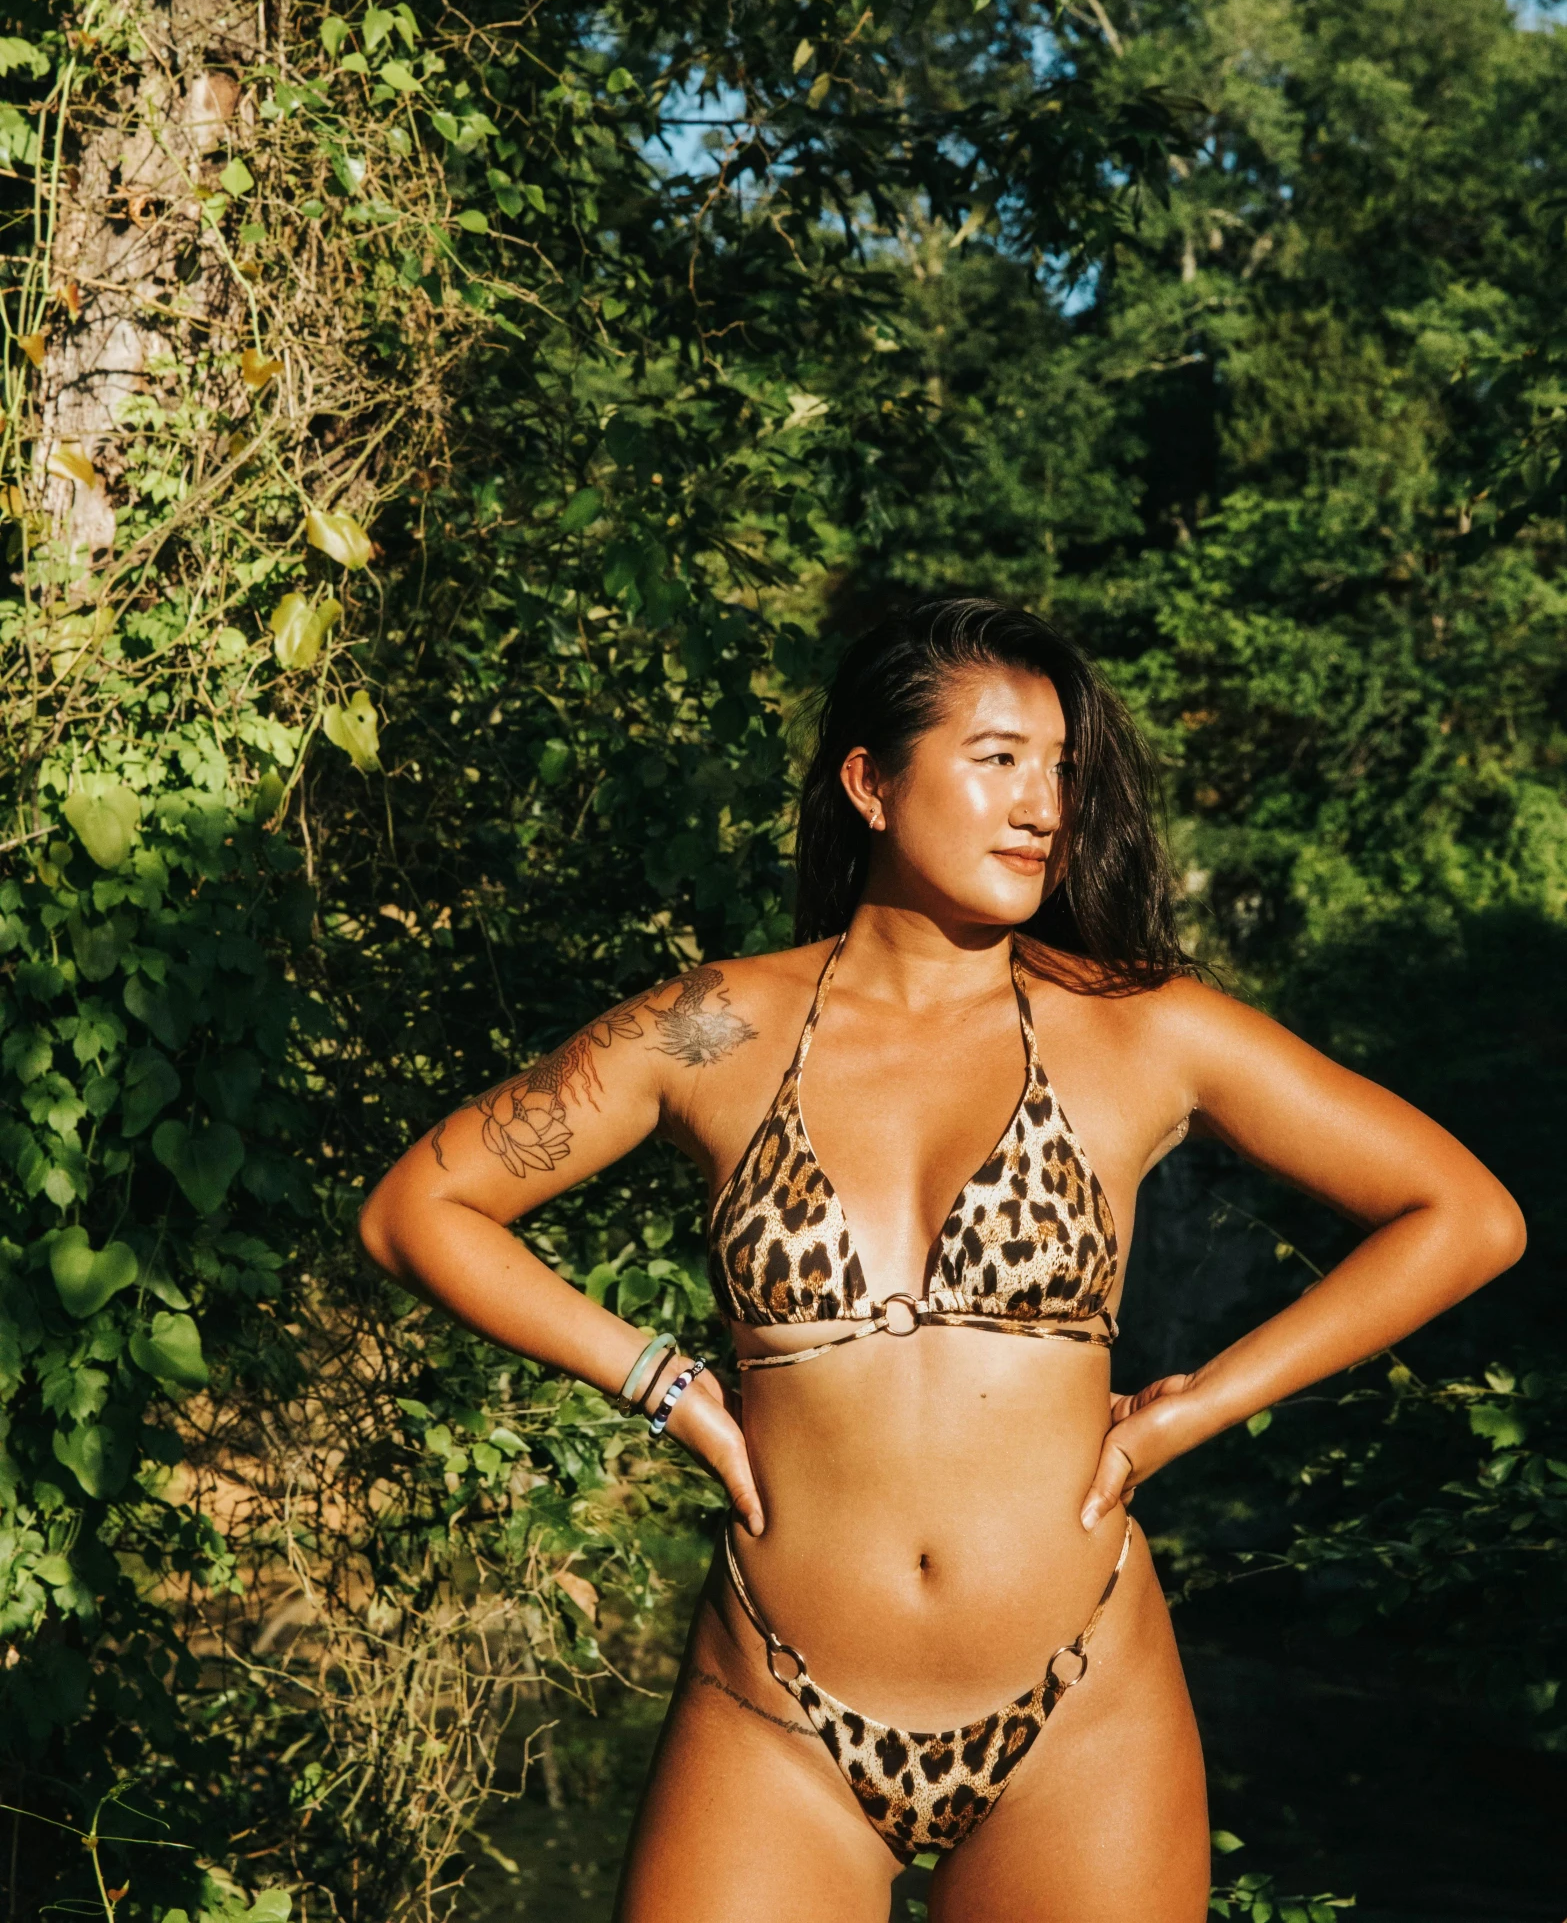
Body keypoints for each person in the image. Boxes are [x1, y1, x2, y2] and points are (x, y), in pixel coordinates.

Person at [358, 595, 1525, 1923]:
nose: (1043, 805)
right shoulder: (713, 1024)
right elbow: (421, 1208)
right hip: (775, 1710)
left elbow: (1462, 1213)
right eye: (996, 758)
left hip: (1079, 1711)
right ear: (868, 780)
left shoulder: (1144, 1027)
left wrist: (1184, 1411)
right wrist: (661, 1383)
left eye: (1061, 770)